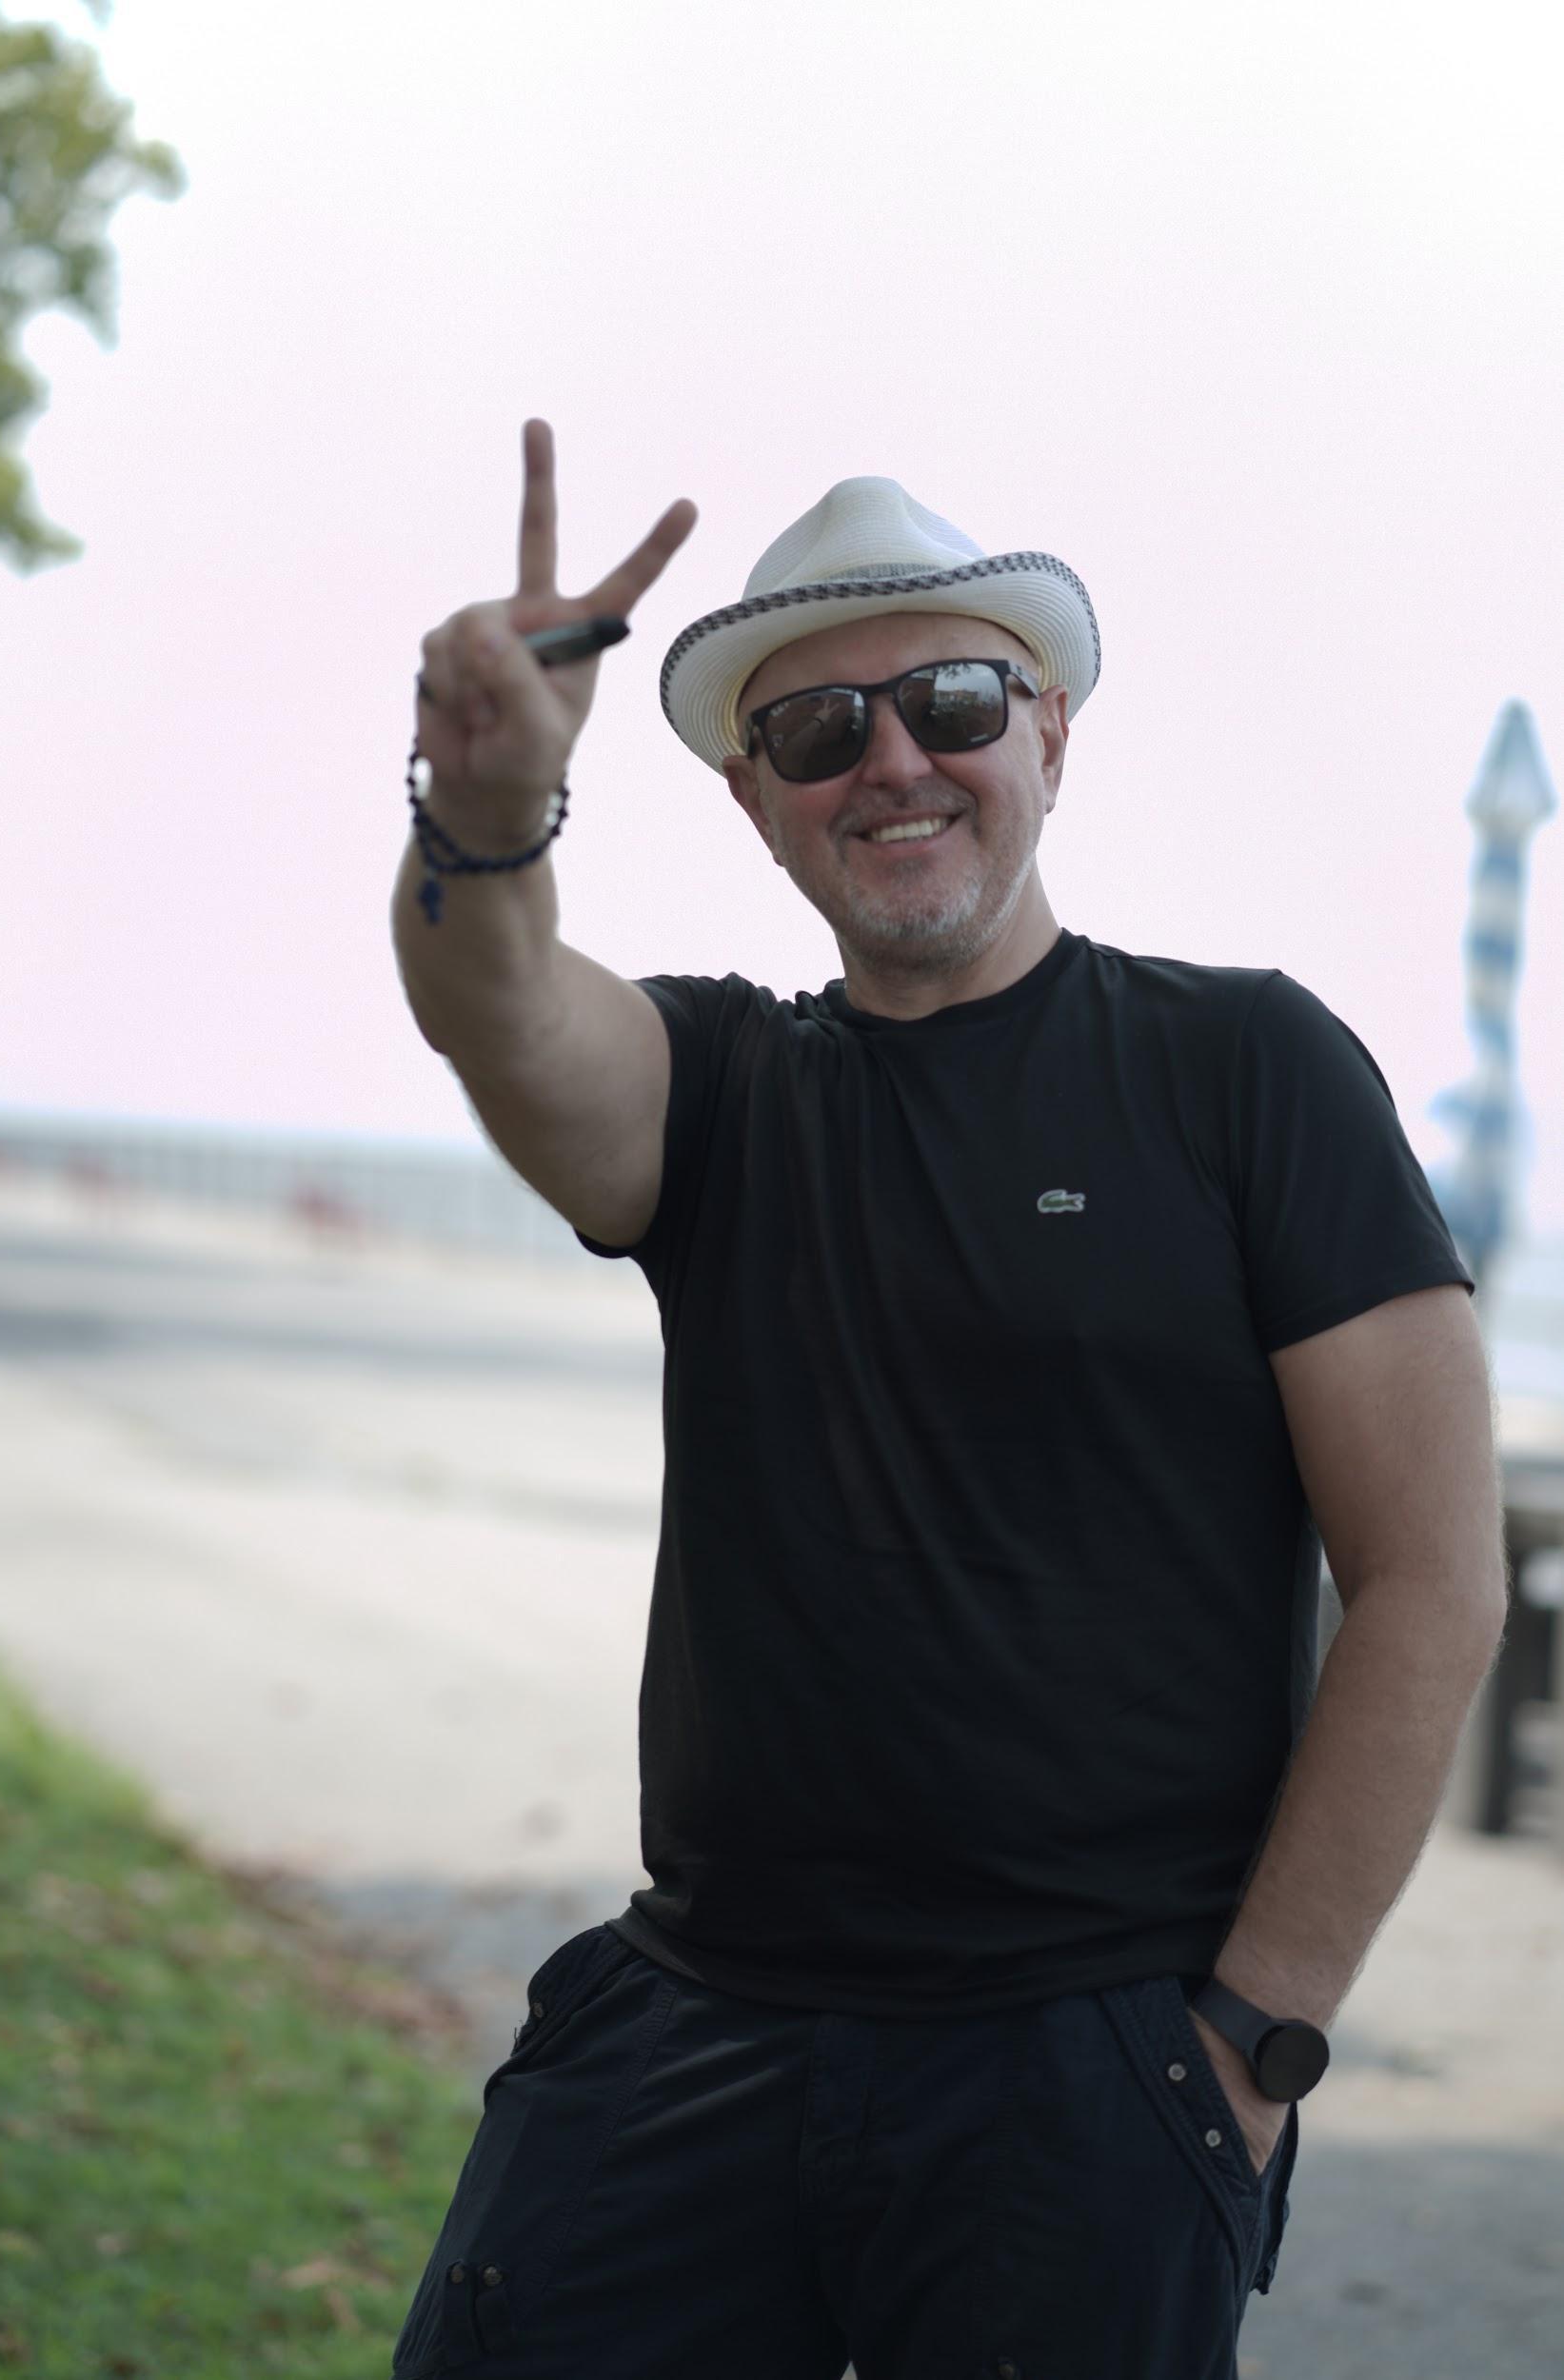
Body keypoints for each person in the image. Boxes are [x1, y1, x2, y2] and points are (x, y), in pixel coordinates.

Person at [386, 421, 1503, 2380]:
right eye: (819, 731)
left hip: (1092, 2065)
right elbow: (504, 1013)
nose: (893, 760)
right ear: (757, 799)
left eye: (954, 702)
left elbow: (1431, 1577)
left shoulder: (1247, 1070)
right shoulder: (723, 1090)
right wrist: (483, 819)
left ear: (1050, 732)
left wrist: (1253, 2044)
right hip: (694, 2015)